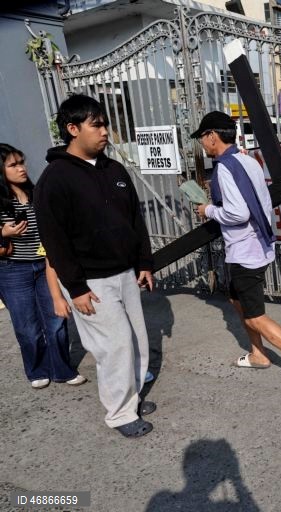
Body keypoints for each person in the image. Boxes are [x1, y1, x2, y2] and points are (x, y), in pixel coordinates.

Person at [33, 95, 156, 438]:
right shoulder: (54, 179)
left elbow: (135, 218)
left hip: (125, 273)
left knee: (136, 341)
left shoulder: (114, 170)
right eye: (96, 124)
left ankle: (132, 396)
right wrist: (75, 289)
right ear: (73, 129)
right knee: (114, 346)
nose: (105, 131)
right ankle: (119, 414)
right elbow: (55, 242)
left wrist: (144, 262)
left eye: (105, 124)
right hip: (91, 282)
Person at [191, 111, 281, 404]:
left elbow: (239, 213)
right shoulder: (247, 160)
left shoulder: (225, 168)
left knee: (255, 315)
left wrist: (208, 211)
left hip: (244, 250)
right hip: (256, 246)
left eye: (202, 137)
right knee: (237, 301)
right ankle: (259, 354)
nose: (202, 143)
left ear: (212, 136)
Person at [0, 143, 86, 389]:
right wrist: (3, 232)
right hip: (12, 269)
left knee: (56, 320)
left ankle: (62, 368)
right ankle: (37, 369)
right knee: (27, 326)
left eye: (21, 162)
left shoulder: (37, 192)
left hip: (45, 265)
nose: (21, 169)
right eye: (13, 165)